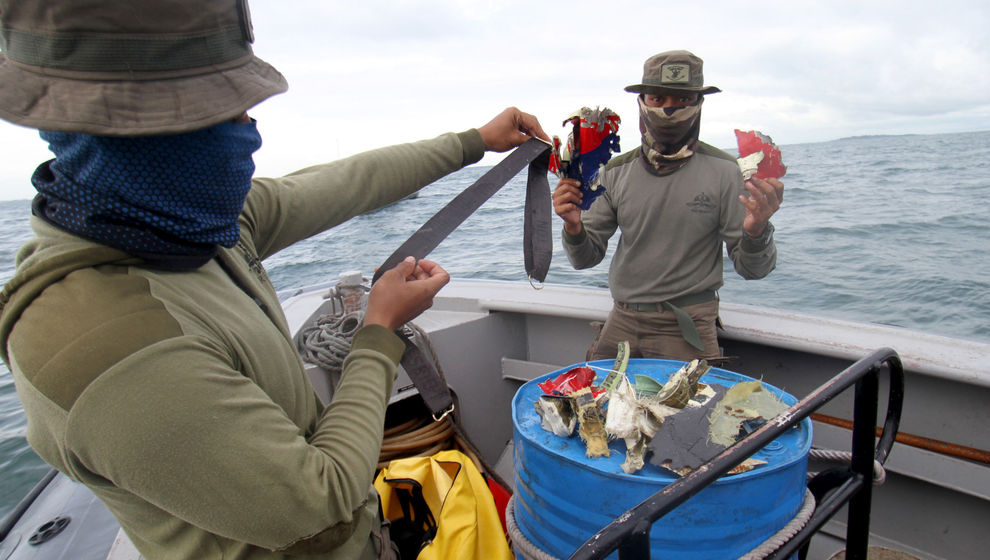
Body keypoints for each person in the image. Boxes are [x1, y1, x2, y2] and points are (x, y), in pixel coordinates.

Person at [0, 1, 547, 558]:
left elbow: (343, 184)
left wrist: (473, 141)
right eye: (227, 112)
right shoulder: (99, 342)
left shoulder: (186, 223)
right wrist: (378, 331)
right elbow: (323, 510)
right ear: (138, 132)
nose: (251, 135)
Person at [552, 50, 783, 362]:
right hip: (622, 320)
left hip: (688, 324)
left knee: (690, 411)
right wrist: (573, 225)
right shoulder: (614, 171)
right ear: (642, 102)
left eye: (683, 101)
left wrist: (757, 231)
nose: (669, 110)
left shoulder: (726, 171)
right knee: (597, 406)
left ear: (699, 104)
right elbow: (585, 258)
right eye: (658, 99)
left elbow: (753, 269)